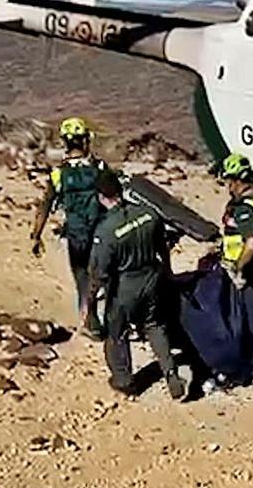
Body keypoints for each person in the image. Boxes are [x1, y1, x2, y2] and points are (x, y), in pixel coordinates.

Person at [89, 169, 186, 401]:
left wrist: (91, 301)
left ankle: (124, 381)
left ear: (101, 197)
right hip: (152, 278)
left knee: (117, 333)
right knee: (154, 325)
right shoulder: (148, 214)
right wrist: (169, 272)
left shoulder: (106, 231)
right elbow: (162, 247)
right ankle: (171, 372)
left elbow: (99, 273)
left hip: (125, 287)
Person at [30, 117, 107, 340]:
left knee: (82, 278)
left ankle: (90, 323)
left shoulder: (58, 174)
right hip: (101, 233)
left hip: (76, 235)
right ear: (85, 141)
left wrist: (36, 235)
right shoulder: (99, 168)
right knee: (107, 277)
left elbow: (44, 205)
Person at [217, 153, 253, 293]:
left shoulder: (244, 208)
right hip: (250, 268)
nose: (227, 185)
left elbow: (251, 243)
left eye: (227, 180)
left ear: (235, 180)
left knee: (244, 311)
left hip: (246, 272)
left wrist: (238, 269)